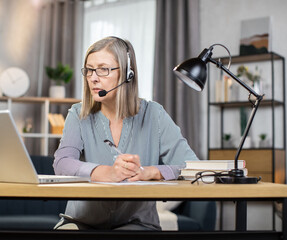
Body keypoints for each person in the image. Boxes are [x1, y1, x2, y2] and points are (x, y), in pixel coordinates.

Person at [53, 36, 198, 231]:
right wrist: (106, 173)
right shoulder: (78, 114)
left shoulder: (153, 114)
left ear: (127, 75)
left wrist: (150, 172)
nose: (93, 77)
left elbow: (191, 166)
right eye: (89, 70)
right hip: (81, 221)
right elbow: (62, 163)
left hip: (136, 223)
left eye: (103, 69)